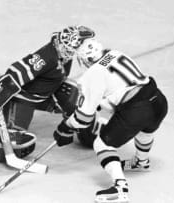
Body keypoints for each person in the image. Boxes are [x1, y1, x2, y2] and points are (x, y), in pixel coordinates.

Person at [0, 25, 95, 162]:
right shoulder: (46, 57)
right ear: (67, 47)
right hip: (22, 99)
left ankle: (85, 132)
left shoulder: (65, 54)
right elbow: (16, 72)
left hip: (45, 94)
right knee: (16, 144)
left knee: (74, 94)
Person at [52, 38, 168, 203]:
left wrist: (65, 127)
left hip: (137, 109)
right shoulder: (116, 53)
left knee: (102, 144)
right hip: (157, 99)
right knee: (144, 130)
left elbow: (84, 118)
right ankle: (141, 162)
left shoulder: (92, 74)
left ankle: (120, 189)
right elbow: (118, 85)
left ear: (84, 60)